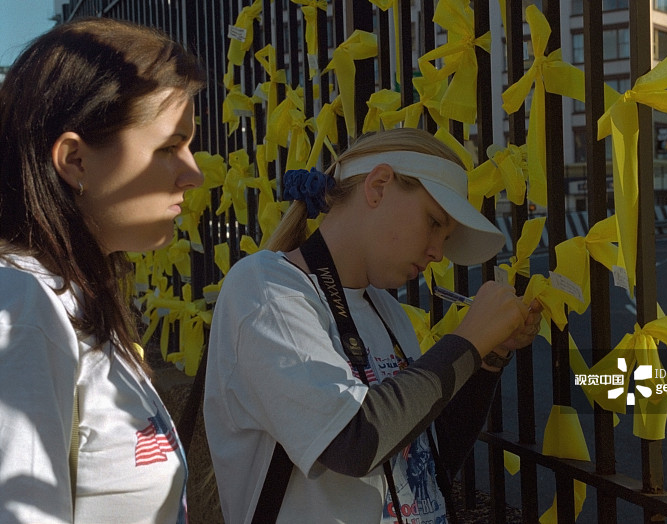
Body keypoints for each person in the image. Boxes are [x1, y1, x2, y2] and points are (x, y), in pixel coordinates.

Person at [203, 127, 544, 523]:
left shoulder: (384, 307)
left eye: (446, 237)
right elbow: (353, 442)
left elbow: (428, 458)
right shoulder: (266, 289)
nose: (437, 252)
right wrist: (468, 339)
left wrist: (488, 356)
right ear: (378, 186)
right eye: (434, 222)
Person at [0, 17, 206, 523]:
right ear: (74, 160)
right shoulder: (25, 309)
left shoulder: (73, 298)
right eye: (167, 147)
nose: (194, 172)